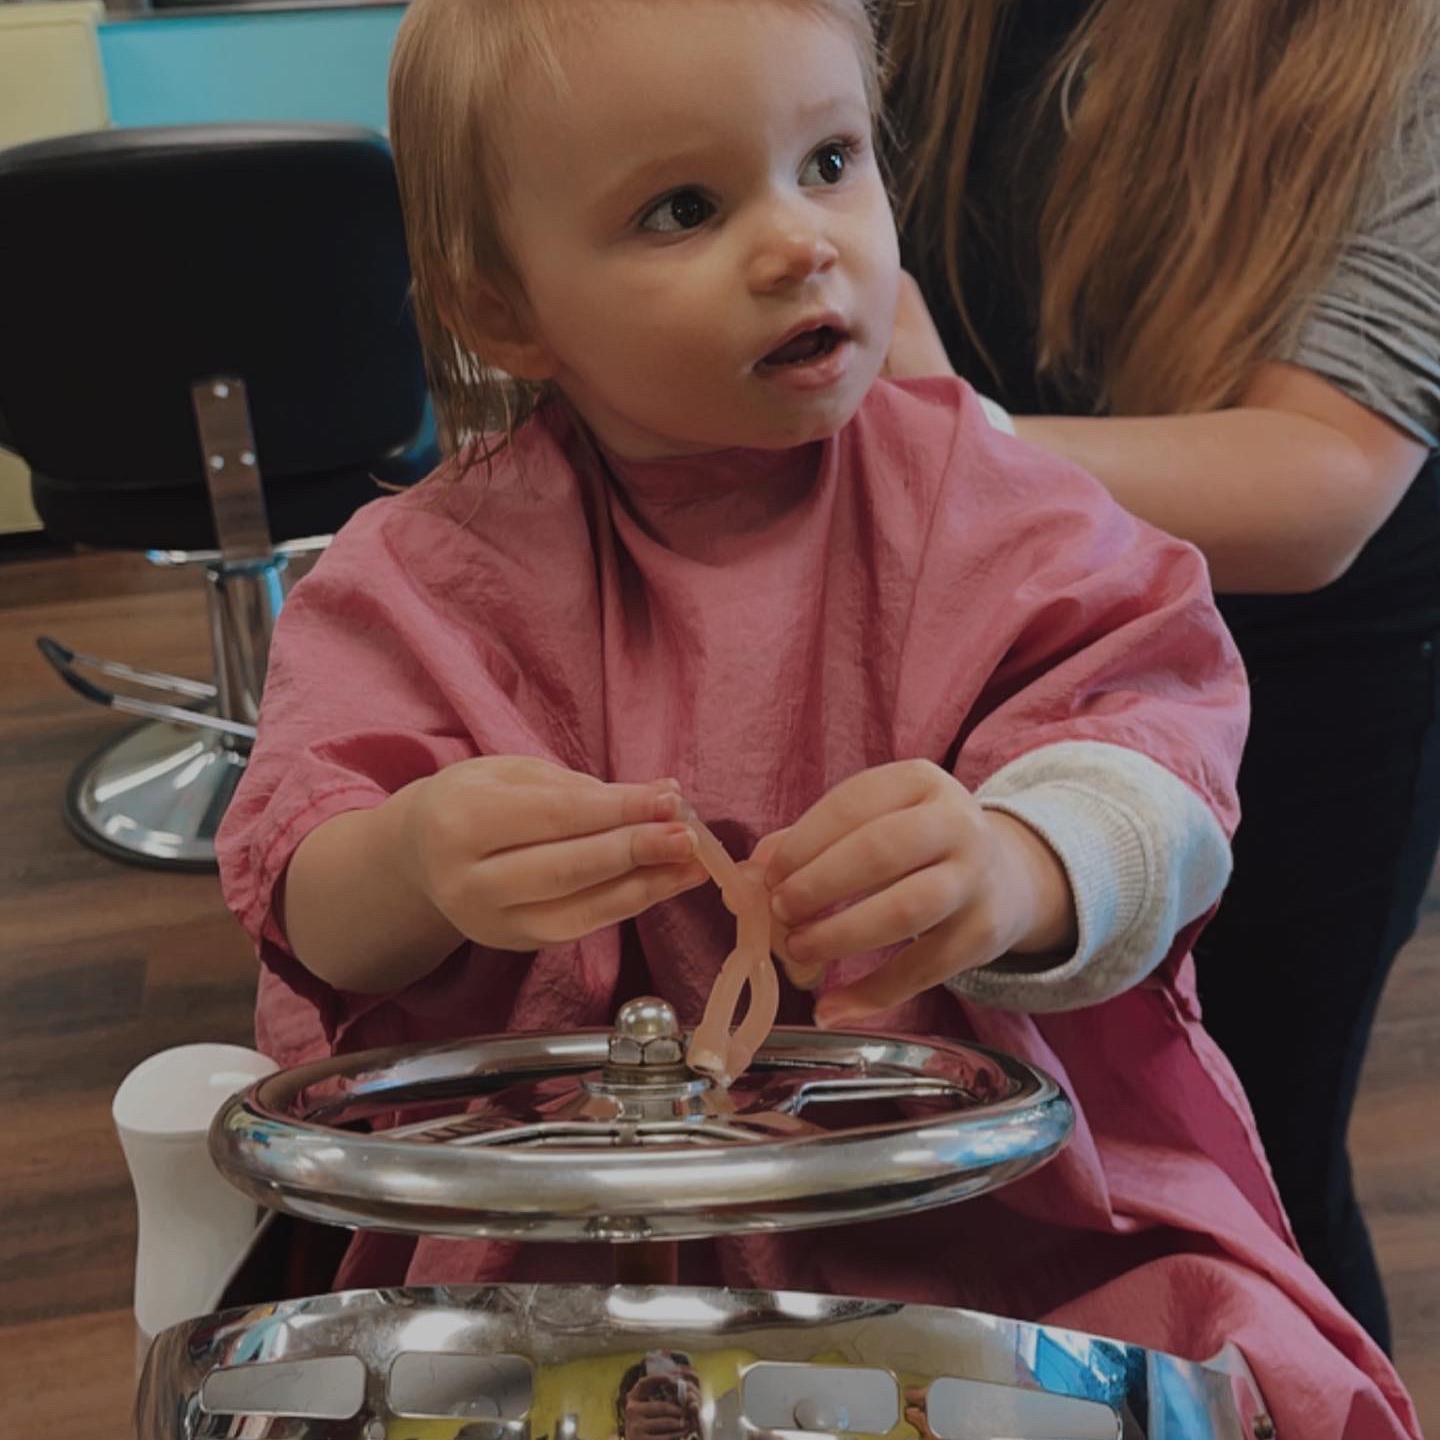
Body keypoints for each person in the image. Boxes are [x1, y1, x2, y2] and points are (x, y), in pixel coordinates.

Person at [215, 0, 1419, 1433]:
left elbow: (1148, 770)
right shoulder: (415, 580)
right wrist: (413, 865)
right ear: (501, 304)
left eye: (834, 161)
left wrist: (1019, 868)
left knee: (1246, 1377)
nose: (801, 240)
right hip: (556, 1253)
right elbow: (306, 895)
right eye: (683, 208)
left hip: (995, 1237)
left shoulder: (998, 506)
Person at [880, 0, 1440, 1356]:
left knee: (1237, 1167)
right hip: (976, 630)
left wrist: (949, 450)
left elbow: (1319, 481)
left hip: (1298, 683)